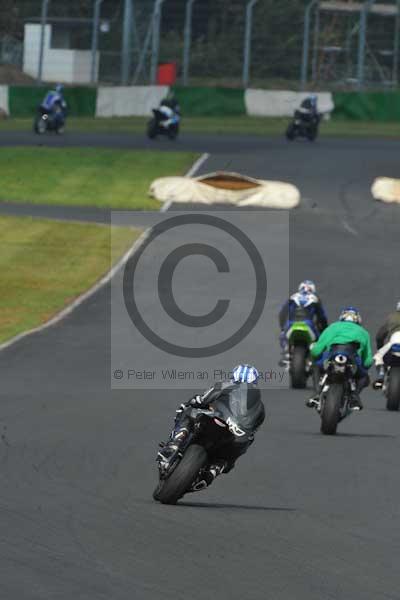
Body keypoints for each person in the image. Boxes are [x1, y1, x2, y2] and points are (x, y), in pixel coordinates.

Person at [157, 364, 265, 492]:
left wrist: (193, 402)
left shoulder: (226, 384)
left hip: (216, 421)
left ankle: (175, 444)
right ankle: (213, 471)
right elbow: (252, 433)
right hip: (237, 438)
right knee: (229, 457)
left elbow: (202, 400)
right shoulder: (261, 409)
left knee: (188, 411)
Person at [307, 307, 373, 410]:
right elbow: (368, 360)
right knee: (364, 376)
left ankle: (316, 393)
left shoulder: (332, 327)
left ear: (342, 317)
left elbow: (317, 350)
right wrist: (365, 366)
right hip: (352, 357)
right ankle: (355, 396)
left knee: (315, 367)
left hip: (332, 354)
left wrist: (314, 357)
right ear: (358, 319)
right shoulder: (364, 332)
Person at [279, 280, 328, 367]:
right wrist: (324, 329)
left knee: (283, 335)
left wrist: (282, 327)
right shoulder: (314, 298)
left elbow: (282, 313)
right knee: (318, 339)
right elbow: (322, 316)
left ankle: (286, 351)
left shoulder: (293, 297)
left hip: (292, 323)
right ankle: (315, 355)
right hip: (308, 323)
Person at [373, 302, 400, 388]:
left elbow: (380, 335)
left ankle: (380, 377)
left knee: (379, 357)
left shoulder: (392, 317)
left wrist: (380, 347)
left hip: (394, 343)